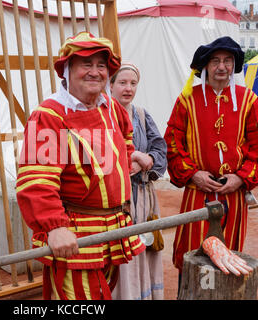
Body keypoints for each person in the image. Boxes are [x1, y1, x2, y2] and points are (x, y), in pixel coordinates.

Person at [16, 32, 146, 300]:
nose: (95, 72)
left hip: (114, 230)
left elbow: (126, 134)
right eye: (86, 64)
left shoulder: (109, 106)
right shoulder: (48, 115)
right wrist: (54, 227)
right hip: (76, 236)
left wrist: (127, 156)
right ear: (67, 69)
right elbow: (36, 180)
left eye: (101, 65)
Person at [164, 36, 258, 291]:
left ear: (233, 66)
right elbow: (173, 143)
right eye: (215, 61)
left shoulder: (249, 100)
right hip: (197, 193)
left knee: (229, 255)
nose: (221, 66)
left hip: (233, 195)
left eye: (227, 61)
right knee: (193, 254)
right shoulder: (186, 100)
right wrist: (193, 175)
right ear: (205, 66)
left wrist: (241, 178)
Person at [109, 63, 167, 300]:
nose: (128, 88)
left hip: (144, 196)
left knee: (145, 246)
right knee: (123, 252)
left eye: (133, 83)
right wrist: (128, 160)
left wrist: (149, 159)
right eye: (122, 82)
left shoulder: (142, 115)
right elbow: (98, 156)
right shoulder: (103, 117)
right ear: (110, 85)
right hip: (117, 200)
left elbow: (160, 149)